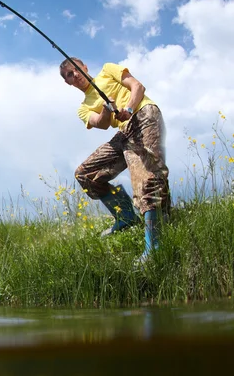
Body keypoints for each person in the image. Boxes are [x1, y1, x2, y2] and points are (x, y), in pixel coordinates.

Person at [59, 58, 170, 262]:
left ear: (84, 67)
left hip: (143, 115)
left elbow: (138, 86)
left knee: (146, 178)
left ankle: (153, 247)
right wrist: (106, 109)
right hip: (123, 132)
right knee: (85, 174)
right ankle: (126, 216)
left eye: (75, 70)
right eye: (69, 75)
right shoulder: (83, 108)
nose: (74, 75)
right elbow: (100, 124)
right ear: (68, 83)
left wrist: (127, 109)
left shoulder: (107, 70)